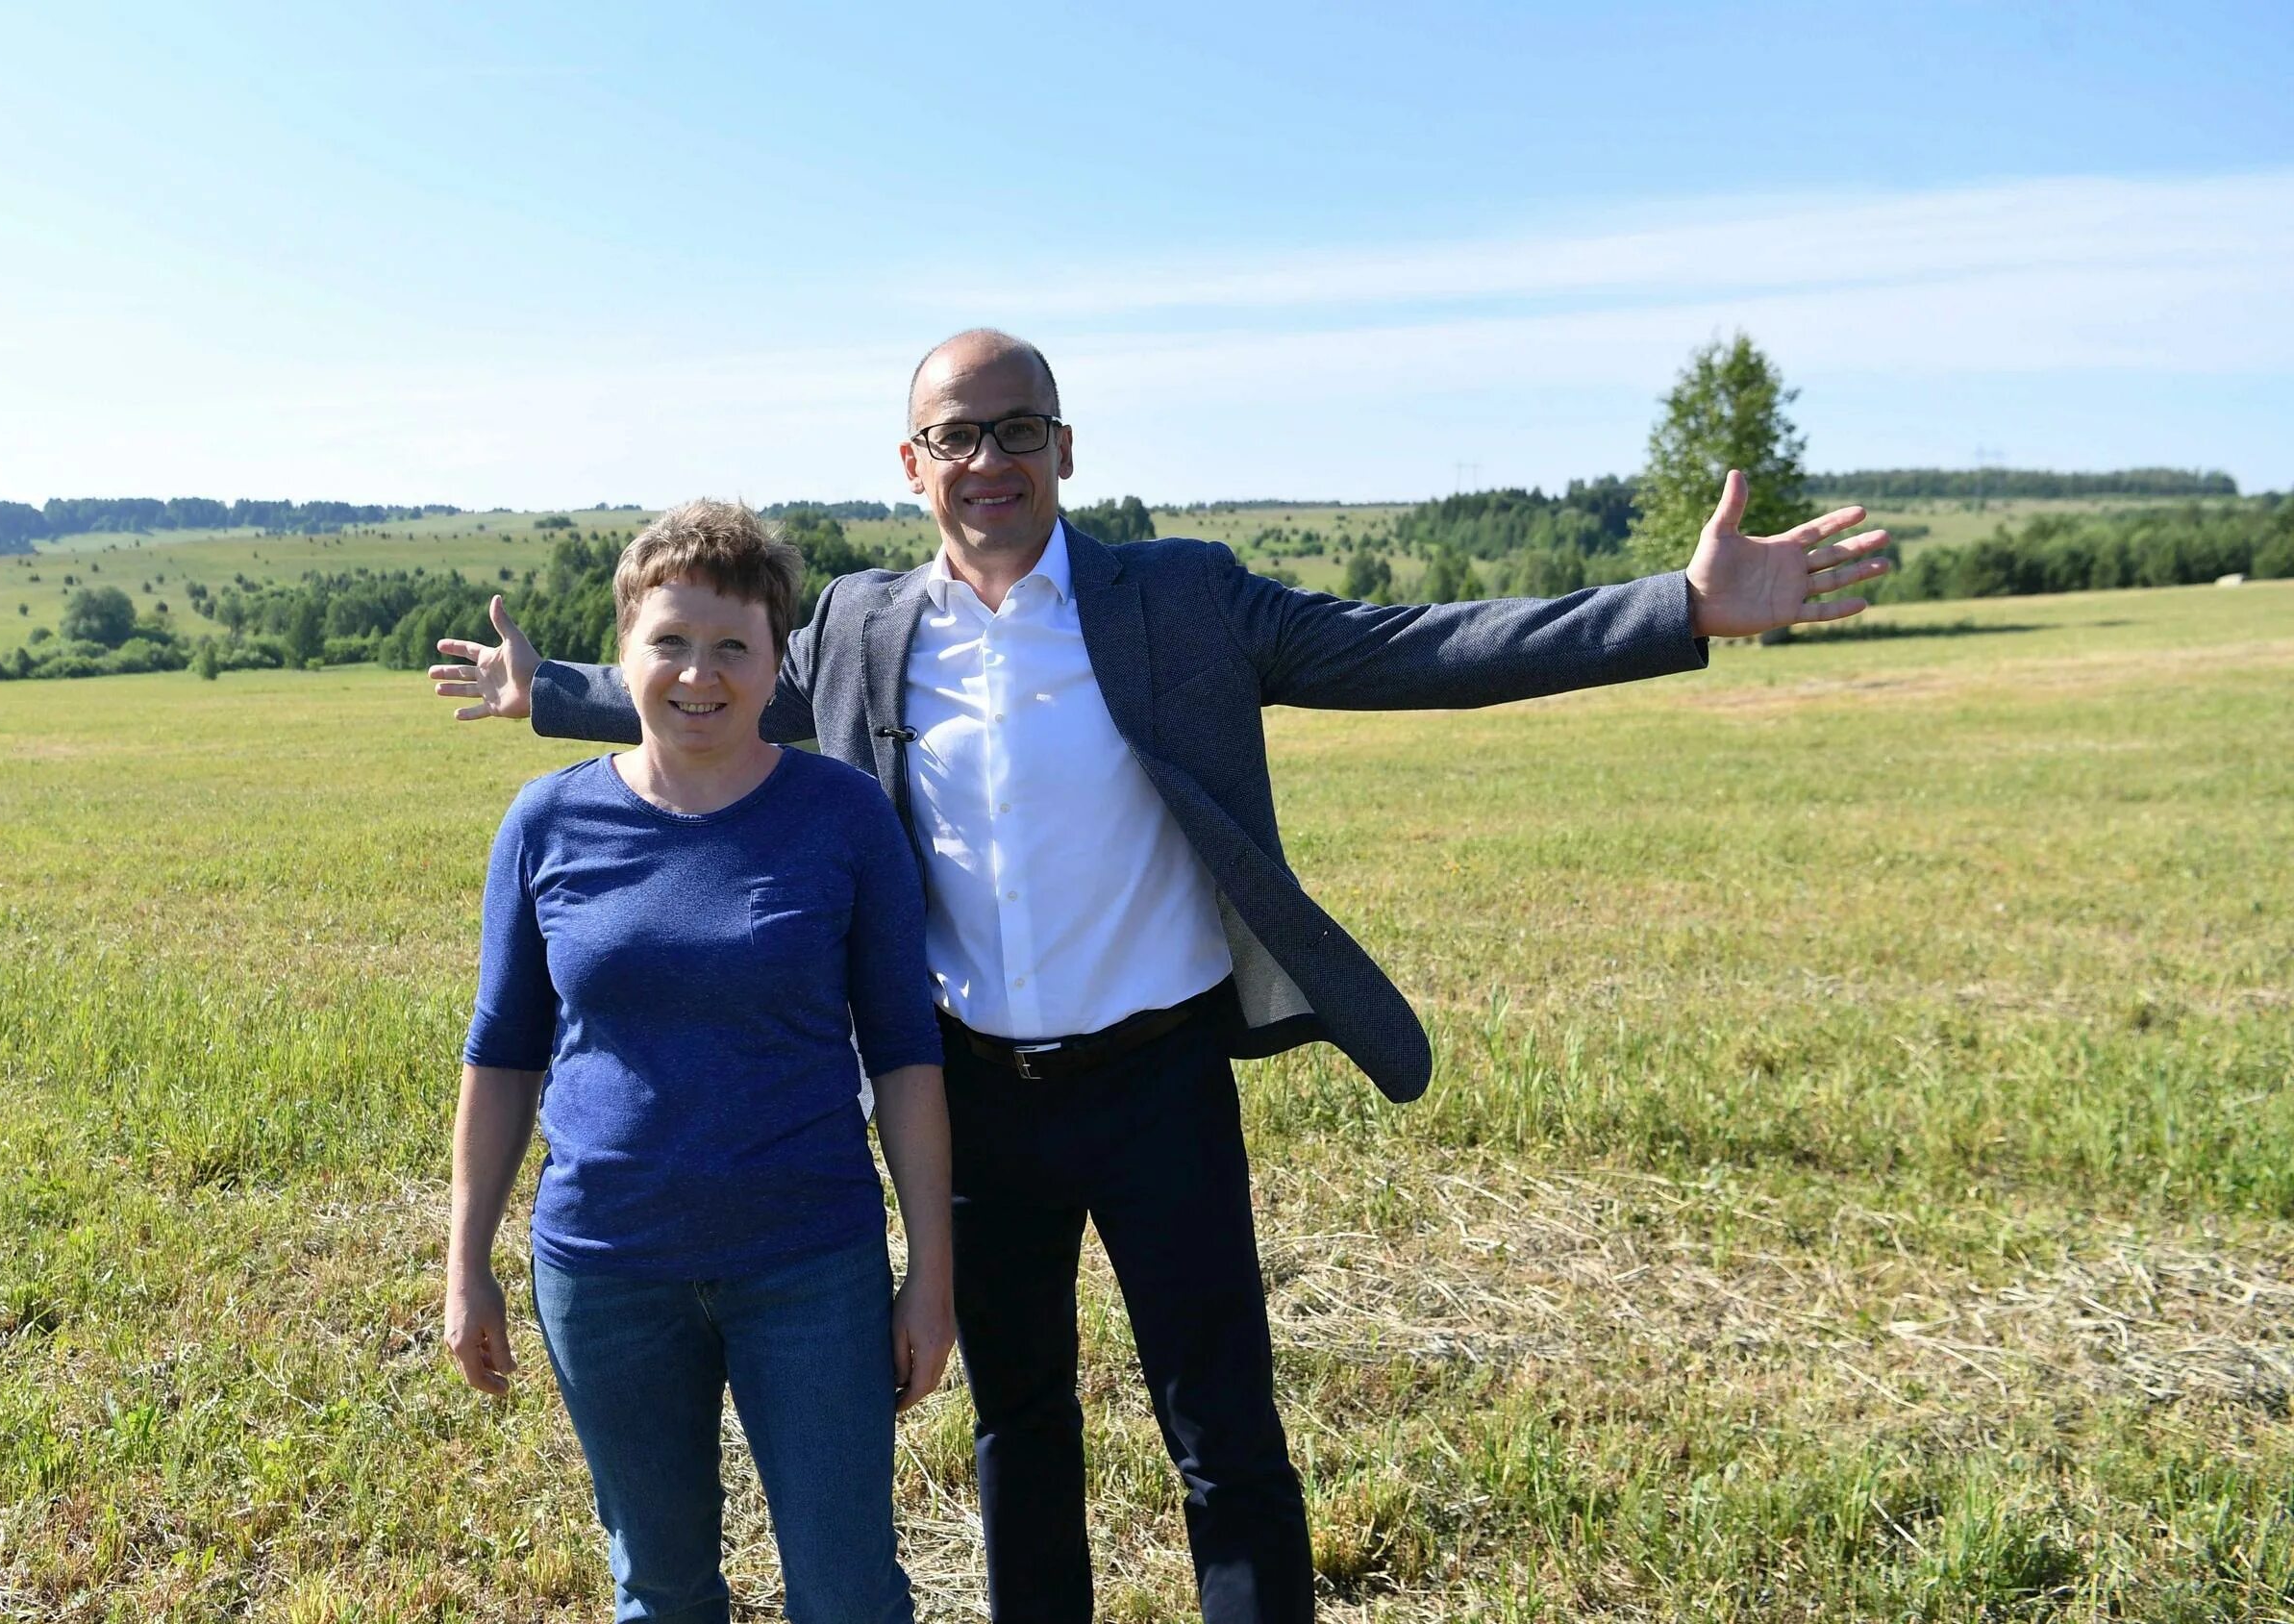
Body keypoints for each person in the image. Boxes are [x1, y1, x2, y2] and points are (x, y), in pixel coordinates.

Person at [430, 330, 1892, 1623]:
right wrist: (548, 690)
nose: (988, 459)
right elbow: (723, 688)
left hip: (1161, 1083)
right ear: (912, 463)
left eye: (1017, 430)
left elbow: (1418, 645)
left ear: (1064, 448)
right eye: (956, 435)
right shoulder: (872, 627)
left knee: (1224, 1430)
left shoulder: (1180, 600)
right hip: (978, 1100)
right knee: (1022, 1431)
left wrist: (1678, 610)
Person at [444, 500, 954, 1624]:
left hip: (808, 1266)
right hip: (607, 1265)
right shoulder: (545, 823)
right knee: (661, 1589)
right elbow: (503, 1052)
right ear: (623, 652)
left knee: (849, 1593)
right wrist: (465, 1259)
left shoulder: (843, 816)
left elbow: (906, 1053)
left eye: (733, 645)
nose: (697, 674)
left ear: (778, 664)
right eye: (669, 641)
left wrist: (930, 1271)